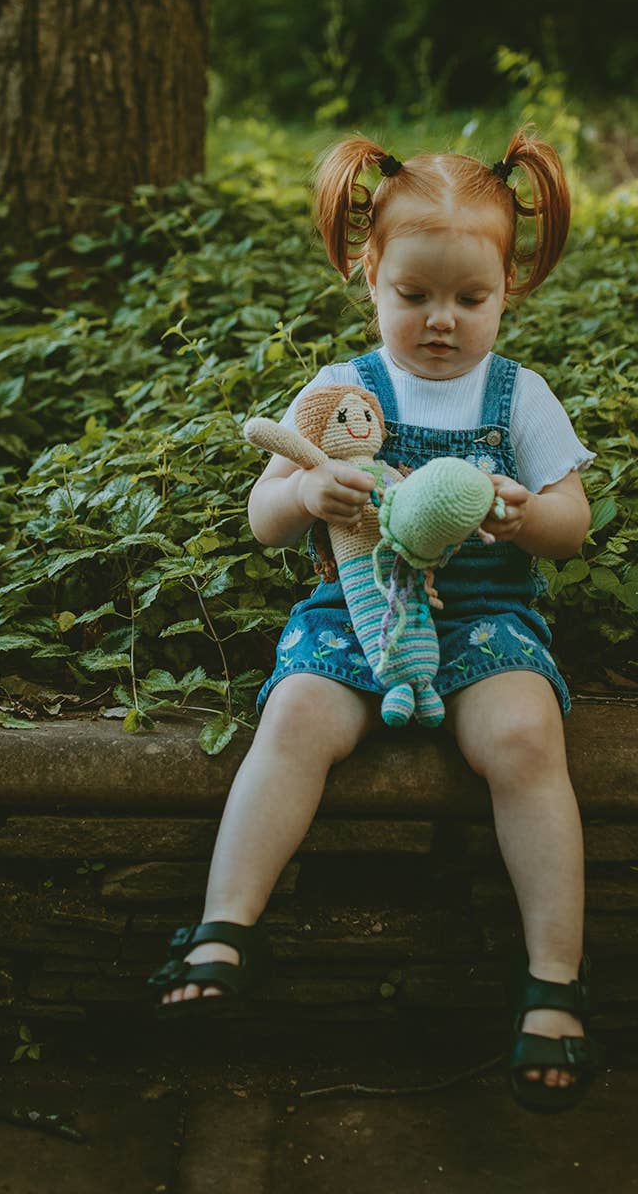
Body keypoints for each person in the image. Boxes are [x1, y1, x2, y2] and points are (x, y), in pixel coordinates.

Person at [149, 130, 601, 1113]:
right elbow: (263, 516)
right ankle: (224, 924)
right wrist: (309, 500)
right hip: (352, 610)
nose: (441, 321)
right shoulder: (339, 390)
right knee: (297, 718)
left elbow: (573, 522)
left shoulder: (517, 395)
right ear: (369, 277)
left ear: (507, 288)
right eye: (414, 296)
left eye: (468, 300)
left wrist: (529, 513)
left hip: (484, 619)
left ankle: (551, 982)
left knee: (525, 739)